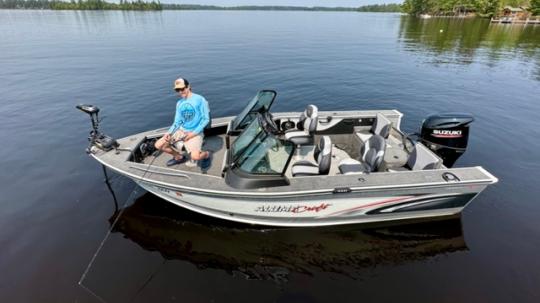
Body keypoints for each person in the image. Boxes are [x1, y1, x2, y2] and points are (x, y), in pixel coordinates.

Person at [155, 77, 211, 168]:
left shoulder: (200, 99)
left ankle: (206, 155)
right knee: (159, 145)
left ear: (188, 86)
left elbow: (205, 119)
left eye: (182, 89)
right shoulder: (179, 103)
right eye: (178, 90)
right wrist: (169, 133)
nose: (181, 92)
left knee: (195, 156)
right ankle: (178, 157)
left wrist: (193, 134)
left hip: (196, 132)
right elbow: (177, 121)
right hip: (181, 131)